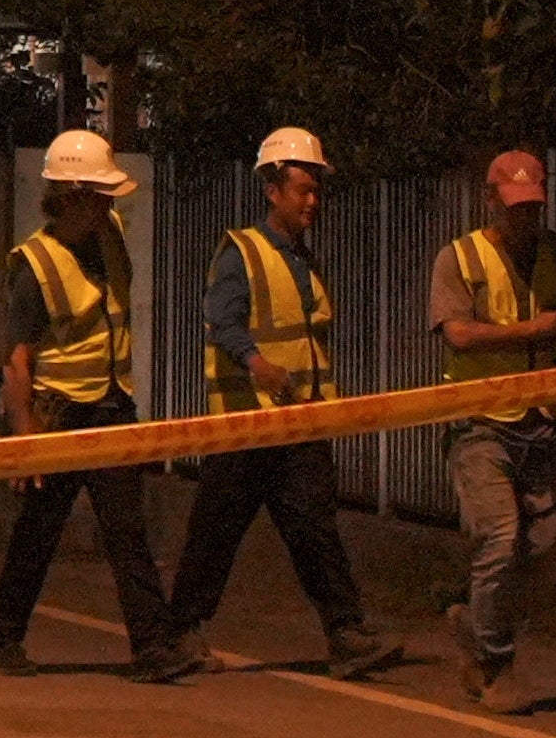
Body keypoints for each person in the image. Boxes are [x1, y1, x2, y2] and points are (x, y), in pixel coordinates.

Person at [163, 126, 405, 677]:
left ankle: (346, 634)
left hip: (299, 423)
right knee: (216, 532)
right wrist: (257, 365)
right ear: (272, 190)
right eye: (303, 190)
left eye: (317, 191)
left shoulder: (303, 258)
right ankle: (179, 634)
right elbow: (222, 320)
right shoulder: (241, 252)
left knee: (315, 530)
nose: (312, 201)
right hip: (248, 424)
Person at [0, 128, 190, 684]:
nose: (109, 204)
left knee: (127, 530)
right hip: (57, 416)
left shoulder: (111, 235)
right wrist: (27, 441)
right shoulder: (34, 264)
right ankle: (3, 640)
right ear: (71, 194)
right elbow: (17, 361)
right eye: (100, 195)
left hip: (111, 404)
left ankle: (154, 649)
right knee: (38, 532)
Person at [430, 149, 556, 710]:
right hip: (480, 424)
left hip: (543, 423)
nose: (524, 219)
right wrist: (532, 330)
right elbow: (458, 335)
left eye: (533, 207)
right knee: (501, 535)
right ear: (491, 202)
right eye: (514, 208)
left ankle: (471, 615)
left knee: (543, 545)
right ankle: (492, 665)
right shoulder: (460, 258)